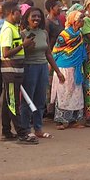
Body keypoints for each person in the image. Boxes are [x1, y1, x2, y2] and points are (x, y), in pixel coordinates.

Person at [22, 7, 65, 136]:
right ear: (27, 18)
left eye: (39, 16)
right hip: (29, 68)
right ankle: (26, 129)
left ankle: (38, 128)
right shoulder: (23, 34)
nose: (36, 19)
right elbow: (19, 53)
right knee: (28, 100)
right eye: (33, 16)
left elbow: (48, 54)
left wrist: (58, 71)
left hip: (43, 68)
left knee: (40, 100)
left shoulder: (44, 33)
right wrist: (25, 46)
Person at [0, 1, 35, 143]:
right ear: (12, 13)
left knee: (9, 102)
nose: (21, 14)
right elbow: (6, 53)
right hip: (11, 70)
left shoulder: (13, 27)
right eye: (19, 11)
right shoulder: (7, 29)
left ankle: (6, 131)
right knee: (13, 101)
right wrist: (23, 45)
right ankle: (22, 134)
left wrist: (26, 45)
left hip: (15, 70)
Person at [51, 7, 90, 129]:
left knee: (76, 93)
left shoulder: (79, 34)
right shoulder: (64, 34)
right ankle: (61, 120)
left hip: (76, 67)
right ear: (73, 21)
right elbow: (56, 51)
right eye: (80, 19)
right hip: (64, 67)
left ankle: (74, 120)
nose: (82, 21)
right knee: (64, 93)